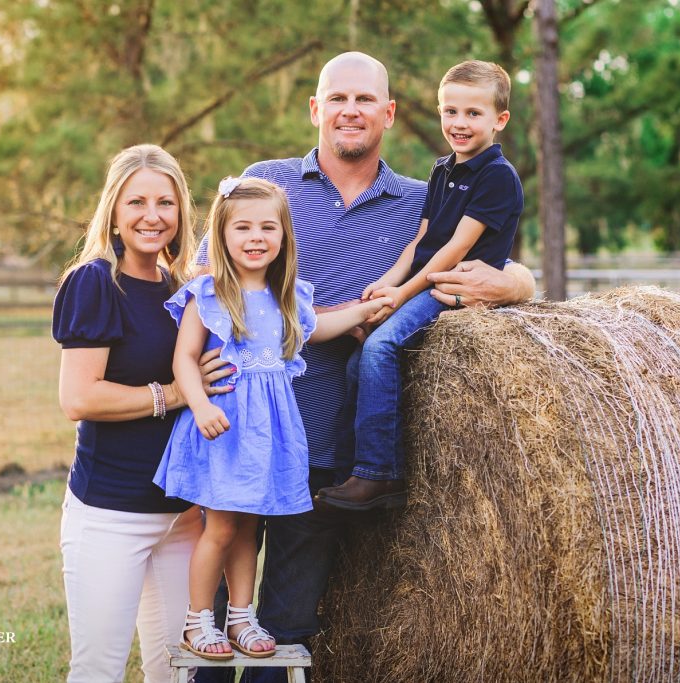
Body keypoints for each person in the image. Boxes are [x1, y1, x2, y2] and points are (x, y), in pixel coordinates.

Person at [195, 52, 535, 683]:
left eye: (364, 100)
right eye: (337, 98)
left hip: (326, 452)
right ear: (315, 109)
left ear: (390, 113)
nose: (350, 110)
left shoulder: (421, 199)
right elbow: (202, 279)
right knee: (213, 623)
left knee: (285, 634)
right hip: (237, 436)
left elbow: (492, 260)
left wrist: (517, 284)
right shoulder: (265, 185)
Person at [154, 177, 392, 661]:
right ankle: (198, 620)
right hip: (224, 426)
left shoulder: (288, 297)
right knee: (218, 528)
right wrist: (199, 405)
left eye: (268, 227)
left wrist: (366, 310)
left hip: (268, 434)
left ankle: (241, 616)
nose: (256, 237)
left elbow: (318, 328)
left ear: (284, 236)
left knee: (247, 528)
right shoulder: (211, 293)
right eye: (242, 227)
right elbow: (184, 359)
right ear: (221, 235)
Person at [53, 143, 234, 683]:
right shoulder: (94, 282)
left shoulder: (185, 290)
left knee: (177, 672)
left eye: (166, 203)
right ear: (113, 210)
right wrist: (175, 394)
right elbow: (79, 399)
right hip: (111, 514)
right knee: (99, 670)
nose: (152, 216)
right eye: (137, 202)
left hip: (182, 518)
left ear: (182, 213)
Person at [317, 59, 523, 511]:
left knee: (380, 347)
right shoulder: (443, 169)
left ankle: (379, 475)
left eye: (473, 113)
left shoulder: (497, 176)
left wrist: (404, 294)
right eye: (450, 112)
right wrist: (386, 284)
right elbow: (422, 239)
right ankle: (351, 468)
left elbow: (453, 250)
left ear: (499, 120)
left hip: (451, 291)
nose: (459, 123)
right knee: (357, 362)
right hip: (424, 282)